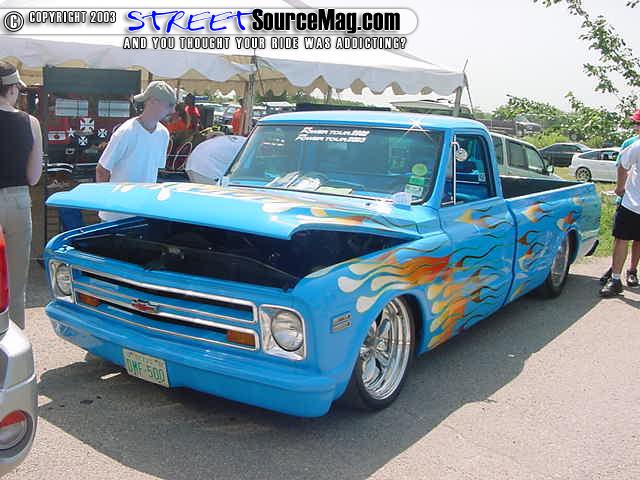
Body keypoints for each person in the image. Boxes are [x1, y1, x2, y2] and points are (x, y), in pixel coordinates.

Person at [0, 61, 43, 329]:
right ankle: (14, 341)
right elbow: (34, 177)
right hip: (17, 200)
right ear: (13, 88)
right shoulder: (31, 122)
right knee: (16, 286)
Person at [96, 81, 175, 221]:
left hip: (142, 212)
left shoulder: (164, 133)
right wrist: (106, 203)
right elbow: (102, 170)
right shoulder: (126, 131)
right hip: (115, 215)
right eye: (170, 105)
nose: (173, 110)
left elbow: (153, 172)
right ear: (153, 102)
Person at [600, 109, 640, 288]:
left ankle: (632, 270)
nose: (636, 127)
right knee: (621, 238)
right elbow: (622, 165)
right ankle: (615, 277)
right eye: (636, 123)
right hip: (631, 202)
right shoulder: (634, 145)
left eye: (638, 123)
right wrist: (620, 188)